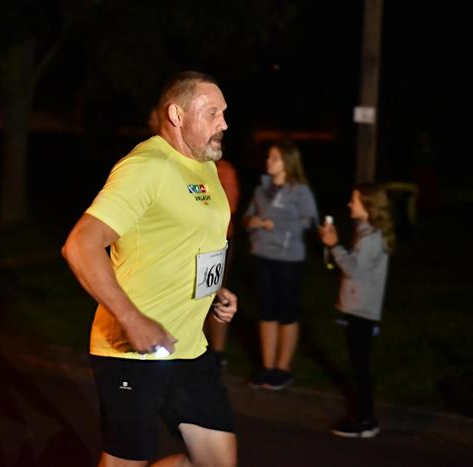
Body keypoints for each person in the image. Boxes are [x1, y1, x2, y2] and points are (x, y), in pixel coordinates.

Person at [63, 71, 238, 467]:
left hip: (189, 348)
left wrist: (213, 292)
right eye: (212, 113)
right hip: (133, 351)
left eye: (224, 113)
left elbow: (190, 244)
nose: (224, 123)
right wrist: (131, 318)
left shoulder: (205, 167)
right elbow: (80, 244)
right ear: (177, 115)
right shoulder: (145, 167)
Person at [319, 184, 395, 438]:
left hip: (362, 310)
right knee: (358, 365)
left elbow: (353, 268)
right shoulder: (366, 232)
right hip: (359, 307)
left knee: (360, 366)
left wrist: (334, 245)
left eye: (355, 200)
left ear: (368, 205)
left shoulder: (371, 237)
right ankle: (362, 416)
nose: (350, 204)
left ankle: (366, 419)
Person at [243, 140, 318, 391]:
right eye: (268, 157)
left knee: (287, 312)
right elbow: (247, 217)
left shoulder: (300, 191)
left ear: (288, 162)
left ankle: (283, 368)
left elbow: (310, 221)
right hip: (262, 255)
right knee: (266, 311)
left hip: (288, 259)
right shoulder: (261, 189)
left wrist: (281, 226)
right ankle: (267, 366)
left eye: (274, 158)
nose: (269, 161)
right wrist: (252, 222)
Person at [206, 158, 240, 368]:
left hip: (218, 239)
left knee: (215, 292)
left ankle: (218, 352)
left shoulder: (223, 170)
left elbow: (229, 206)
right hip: (192, 241)